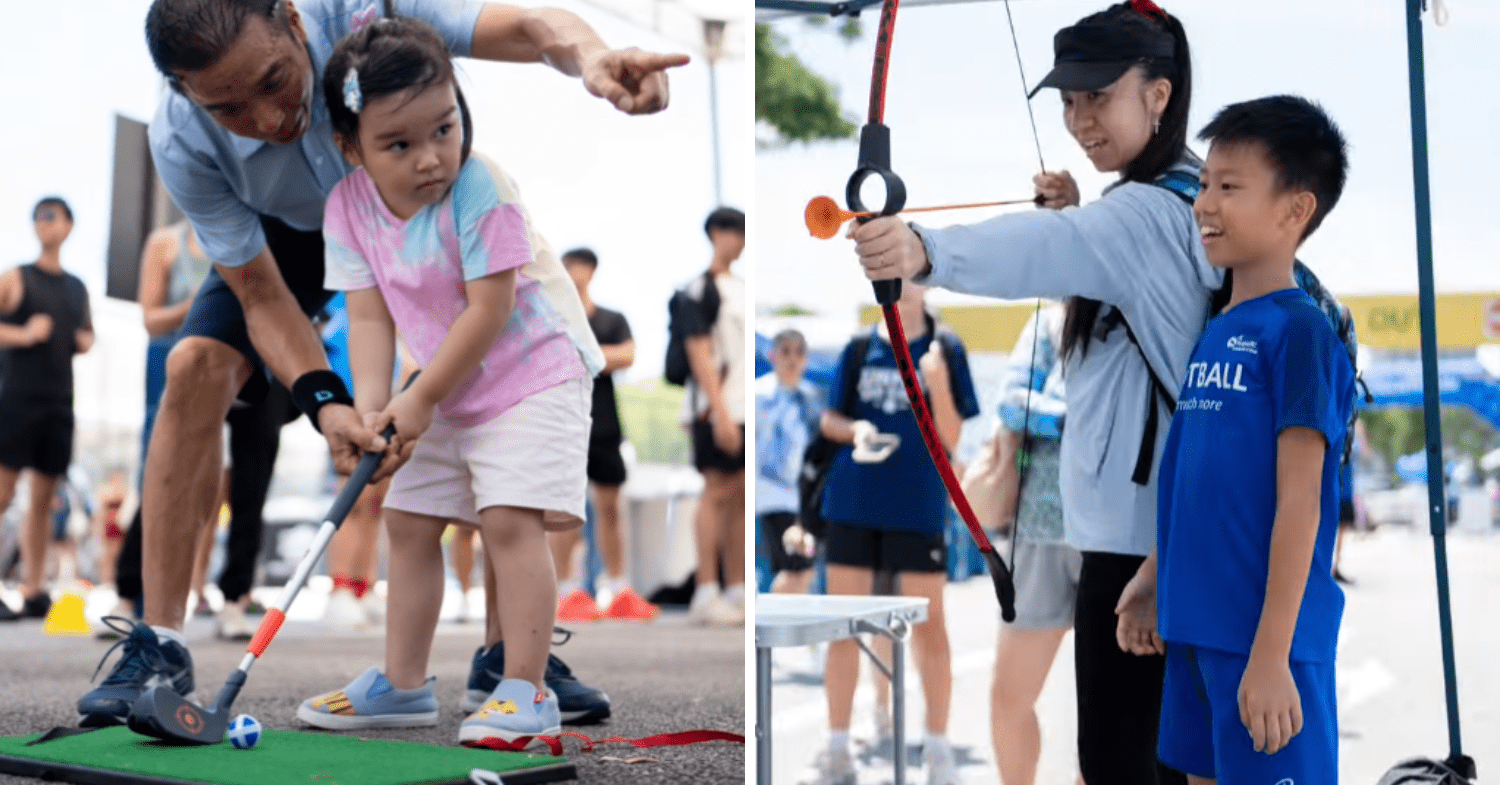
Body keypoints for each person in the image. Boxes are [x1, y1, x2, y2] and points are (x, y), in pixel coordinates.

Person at [78, 0, 684, 727]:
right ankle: (161, 643)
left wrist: (591, 56)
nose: (268, 119)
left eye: (273, 81)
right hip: (303, 233)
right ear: (185, 92)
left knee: (504, 473)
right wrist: (340, 406)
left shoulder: (379, 35)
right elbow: (268, 295)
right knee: (194, 366)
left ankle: (510, 664)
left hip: (428, 218)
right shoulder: (182, 140)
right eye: (229, 108)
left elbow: (526, 26)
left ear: (294, 20)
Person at [850, 5, 1212, 781]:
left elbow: (1052, 245)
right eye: (1069, 101)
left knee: (1122, 766)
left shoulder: (1145, 211)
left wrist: (921, 249)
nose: (1079, 119)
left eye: (1098, 96)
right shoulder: (1189, 196)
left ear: (1159, 94)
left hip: (1137, 547)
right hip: (1162, 534)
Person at [294, 17, 601, 743]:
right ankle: (403, 685)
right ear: (350, 147)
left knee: (508, 520)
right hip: (445, 383)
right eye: (398, 145)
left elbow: (489, 310)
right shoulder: (346, 209)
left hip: (534, 372)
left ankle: (523, 690)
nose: (431, 158)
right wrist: (373, 411)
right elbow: (368, 319)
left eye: (444, 128)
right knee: (407, 519)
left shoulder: (480, 185)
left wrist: (420, 398)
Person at [1152, 95, 1353, 783]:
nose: (1205, 203)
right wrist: (1154, 575)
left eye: (1230, 187)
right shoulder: (1215, 330)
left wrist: (1271, 654)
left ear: (1296, 209)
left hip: (1266, 642)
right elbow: (1193, 478)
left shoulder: (1301, 333)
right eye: (1205, 183)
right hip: (1195, 628)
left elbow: (1301, 502)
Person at [801, 280, 980, 785]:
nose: (902, 284)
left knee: (929, 626)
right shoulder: (861, 346)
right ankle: (837, 744)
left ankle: (937, 746)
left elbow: (951, 438)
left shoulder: (947, 346)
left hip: (917, 506)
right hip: (853, 500)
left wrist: (937, 383)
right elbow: (830, 418)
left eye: (911, 273)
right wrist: (855, 429)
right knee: (845, 625)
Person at [988, 305, 1082, 785]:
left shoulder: (1146, 299)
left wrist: (1051, 411)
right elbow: (1010, 403)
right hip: (1040, 527)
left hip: (1123, 535)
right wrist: (1079, 418)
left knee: (1110, 711)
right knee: (1008, 697)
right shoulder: (1050, 319)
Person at [0, 197, 93, 622]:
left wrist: (83, 341)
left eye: (51, 216)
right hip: (17, 400)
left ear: (68, 225)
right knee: (3, 493)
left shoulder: (77, 287)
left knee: (43, 501)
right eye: (38, 217)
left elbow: (87, 334)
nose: (44, 223)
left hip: (59, 402)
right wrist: (23, 333)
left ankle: (34, 590)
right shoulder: (17, 277)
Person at [552, 247, 657, 621]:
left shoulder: (612, 318)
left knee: (610, 508)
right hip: (564, 423)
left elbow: (628, 356)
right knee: (565, 510)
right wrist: (599, 357)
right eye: (570, 267)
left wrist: (581, 353)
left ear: (592, 271)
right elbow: (552, 359)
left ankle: (618, 587)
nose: (576, 273)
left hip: (606, 425)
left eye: (583, 267)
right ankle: (565, 588)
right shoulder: (554, 317)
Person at [682, 207, 747, 626]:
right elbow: (699, 352)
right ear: (714, 233)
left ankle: (736, 586)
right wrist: (720, 413)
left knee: (738, 494)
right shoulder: (700, 288)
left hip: (742, 405)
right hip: (714, 408)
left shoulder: (740, 287)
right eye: (731, 231)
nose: (738, 240)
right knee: (715, 491)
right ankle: (705, 589)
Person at [754, 329, 821, 595]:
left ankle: (777, 616)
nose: (792, 359)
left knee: (804, 567)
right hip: (771, 494)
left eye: (798, 352)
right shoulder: (758, 395)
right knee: (798, 568)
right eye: (785, 352)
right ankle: (767, 617)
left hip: (803, 497)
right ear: (773, 356)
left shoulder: (811, 398)